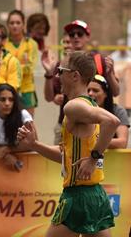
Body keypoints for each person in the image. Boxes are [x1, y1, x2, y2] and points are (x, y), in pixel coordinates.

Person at [17, 51, 120, 237]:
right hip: (95, 193)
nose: (57, 75)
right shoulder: (87, 106)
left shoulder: (73, 107)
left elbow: (112, 122)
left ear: (74, 76)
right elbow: (67, 155)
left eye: (61, 70)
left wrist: (93, 158)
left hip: (78, 195)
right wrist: (35, 145)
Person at [0, 84, 34, 170]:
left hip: (24, 165)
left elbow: (33, 143)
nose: (7, 103)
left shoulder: (23, 115)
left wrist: (8, 150)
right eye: (2, 99)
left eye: (11, 99)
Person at [64, 20, 119, 96]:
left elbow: (116, 92)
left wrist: (110, 75)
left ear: (88, 37)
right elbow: (49, 97)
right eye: (72, 34)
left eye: (80, 34)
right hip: (71, 107)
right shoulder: (65, 63)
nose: (76, 37)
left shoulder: (99, 60)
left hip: (95, 107)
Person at [4, 10, 39, 116]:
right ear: (8, 25)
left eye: (18, 23)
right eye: (12, 23)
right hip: (8, 89)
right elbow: (3, 68)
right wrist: (22, 65)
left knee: (27, 123)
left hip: (27, 89)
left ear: (23, 24)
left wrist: (12, 67)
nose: (15, 26)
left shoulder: (31, 44)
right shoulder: (3, 44)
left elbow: (30, 68)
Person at [42, 33, 73, 144]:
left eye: (69, 42)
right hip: (63, 124)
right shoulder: (59, 66)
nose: (66, 45)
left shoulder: (87, 64)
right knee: (59, 160)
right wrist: (49, 74)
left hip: (84, 124)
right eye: (64, 42)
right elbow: (49, 97)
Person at [88, 75, 129, 148]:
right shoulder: (81, 111)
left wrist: (92, 141)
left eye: (95, 90)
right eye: (88, 90)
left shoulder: (118, 111)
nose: (90, 93)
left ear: (106, 94)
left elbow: (122, 143)